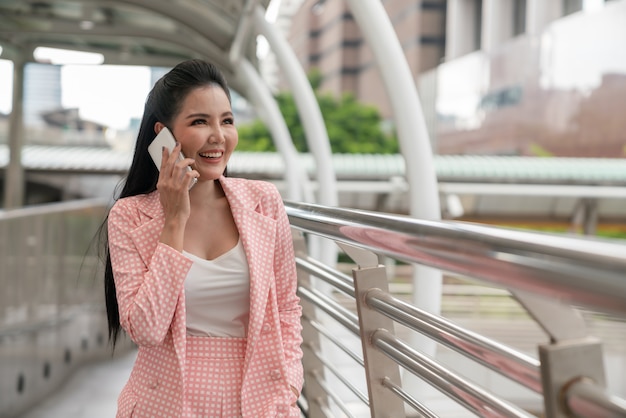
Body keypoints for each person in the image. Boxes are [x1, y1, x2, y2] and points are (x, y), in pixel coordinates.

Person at [103, 59, 303, 417]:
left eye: (227, 121)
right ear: (164, 134)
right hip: (164, 403)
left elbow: (287, 307)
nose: (219, 136)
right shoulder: (130, 215)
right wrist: (174, 219)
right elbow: (146, 330)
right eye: (200, 122)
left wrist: (288, 386)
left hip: (257, 402)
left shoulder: (264, 202)